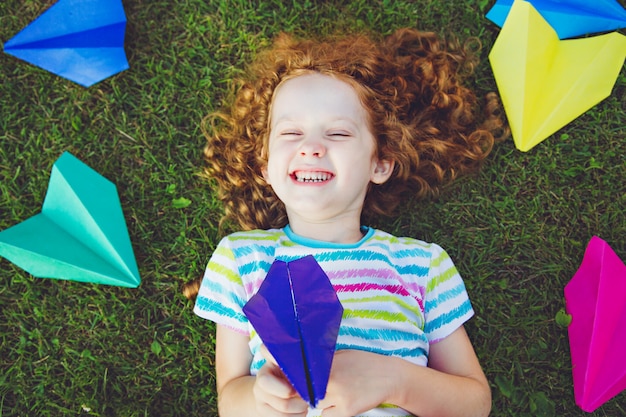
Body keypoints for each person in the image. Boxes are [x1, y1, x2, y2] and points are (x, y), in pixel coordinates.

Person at [184, 27, 505, 417]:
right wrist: (260, 398)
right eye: (290, 132)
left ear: (380, 163)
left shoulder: (422, 266)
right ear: (265, 165)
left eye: (337, 132)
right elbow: (229, 397)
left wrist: (392, 379)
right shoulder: (240, 259)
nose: (311, 146)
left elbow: (474, 403)